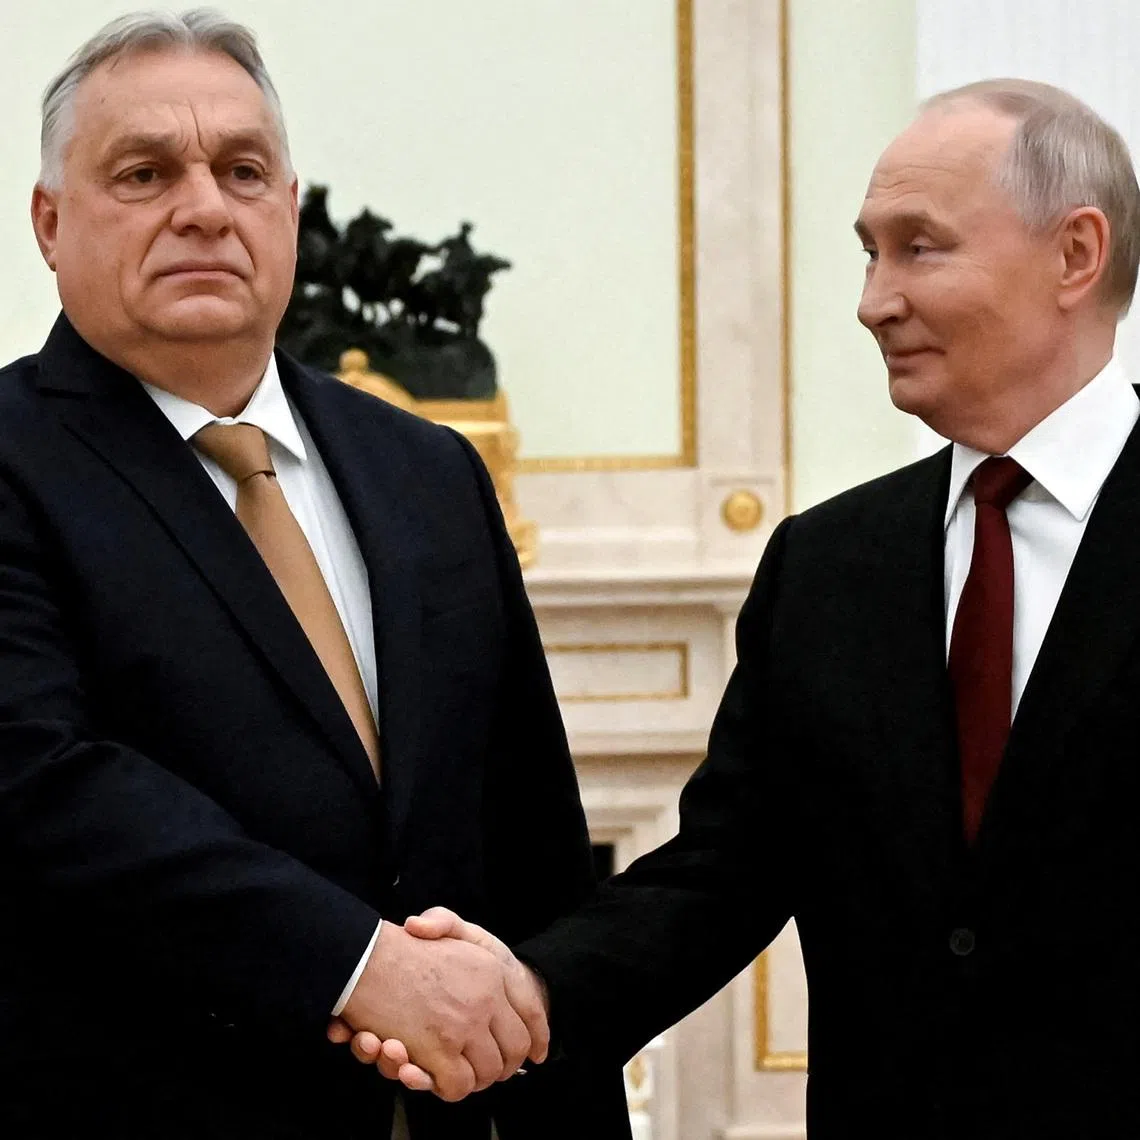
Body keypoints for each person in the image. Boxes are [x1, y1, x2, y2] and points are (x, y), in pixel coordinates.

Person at [353, 79, 1140, 1137]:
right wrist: (530, 995)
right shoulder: (827, 567)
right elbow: (719, 876)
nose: (872, 298)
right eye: (869, 251)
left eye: (920, 247)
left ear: (1076, 255)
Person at [0, 9, 629, 1139]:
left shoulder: (426, 465)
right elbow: (39, 785)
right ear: (50, 223)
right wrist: (359, 967)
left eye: (244, 170)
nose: (204, 206)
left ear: (289, 210)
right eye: (143, 173)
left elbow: (529, 834)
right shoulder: (8, 459)